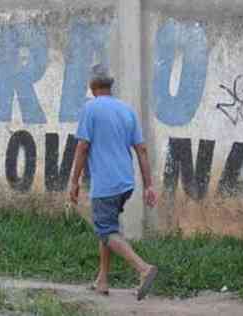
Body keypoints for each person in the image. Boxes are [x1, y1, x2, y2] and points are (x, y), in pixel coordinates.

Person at [69, 64, 158, 301]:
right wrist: (149, 185)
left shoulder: (90, 109)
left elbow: (82, 147)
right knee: (108, 228)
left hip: (105, 184)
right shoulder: (126, 110)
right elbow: (142, 150)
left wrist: (74, 181)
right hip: (125, 182)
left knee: (107, 232)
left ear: (92, 86)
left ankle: (143, 268)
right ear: (110, 85)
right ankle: (102, 280)